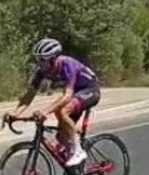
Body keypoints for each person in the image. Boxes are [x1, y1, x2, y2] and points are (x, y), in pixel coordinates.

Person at [6, 38, 100, 167]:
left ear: (54, 58)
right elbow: (29, 95)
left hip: (90, 90)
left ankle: (78, 151)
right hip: (76, 94)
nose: (40, 64)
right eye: (38, 60)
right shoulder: (41, 71)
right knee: (61, 137)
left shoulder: (67, 64)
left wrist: (44, 112)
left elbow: (66, 96)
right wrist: (15, 113)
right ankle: (76, 167)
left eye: (43, 60)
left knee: (62, 110)